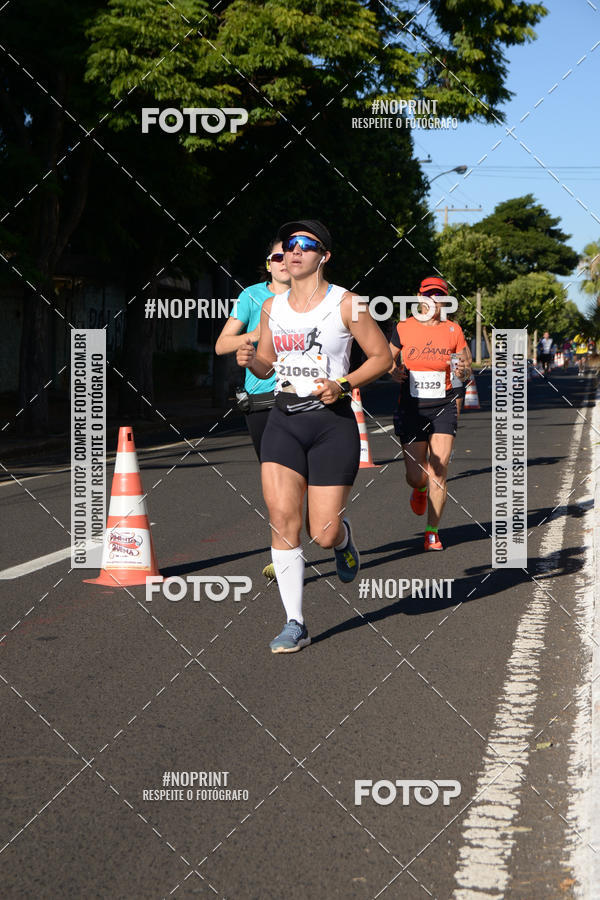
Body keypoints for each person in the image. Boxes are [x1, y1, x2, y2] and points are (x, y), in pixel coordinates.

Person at [236, 219, 392, 653]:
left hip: (331, 422)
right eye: (288, 245)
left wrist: (343, 383)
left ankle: (342, 539)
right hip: (283, 416)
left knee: (321, 531)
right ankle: (295, 622)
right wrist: (251, 360)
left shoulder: (348, 303)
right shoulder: (272, 306)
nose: (294, 251)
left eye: (305, 245)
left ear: (324, 255)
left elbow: (381, 358)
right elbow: (268, 365)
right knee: (283, 518)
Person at [389, 276, 471, 552]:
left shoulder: (453, 330)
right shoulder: (403, 328)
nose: (434, 300)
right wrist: (393, 371)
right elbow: (386, 361)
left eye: (439, 296)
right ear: (419, 297)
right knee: (416, 475)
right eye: (429, 295)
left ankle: (432, 531)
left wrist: (463, 372)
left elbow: (466, 366)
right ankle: (419, 489)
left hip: (443, 405)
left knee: (439, 469)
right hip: (411, 407)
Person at [215, 239, 290, 457]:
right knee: (272, 472)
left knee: (303, 472)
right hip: (262, 397)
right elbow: (221, 345)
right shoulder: (251, 295)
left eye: (288, 256)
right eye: (277, 257)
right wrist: (255, 335)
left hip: (300, 393)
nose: (283, 262)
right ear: (269, 265)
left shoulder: (313, 297)